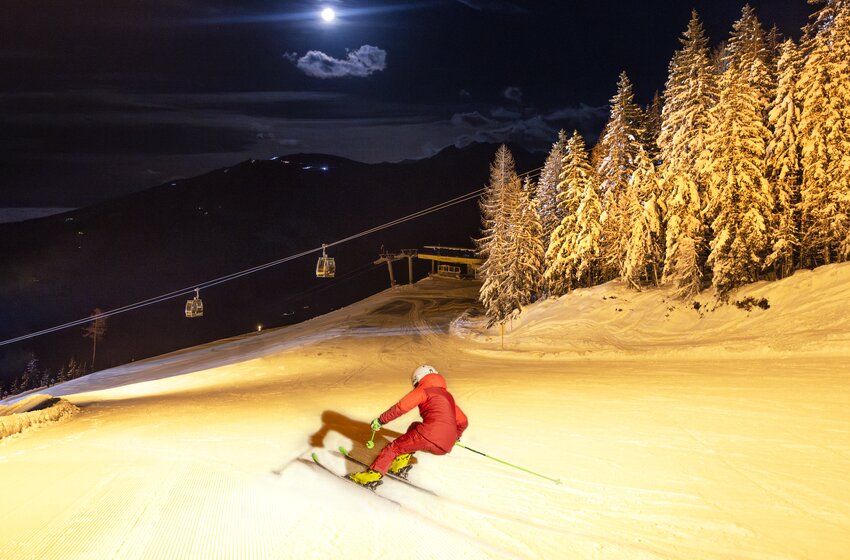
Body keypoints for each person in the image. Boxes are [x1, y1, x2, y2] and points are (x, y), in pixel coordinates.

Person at [349, 364, 468, 486]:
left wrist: (381, 421)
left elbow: (401, 407)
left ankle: (372, 476)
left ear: (420, 379)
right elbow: (463, 421)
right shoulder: (447, 396)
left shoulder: (424, 390)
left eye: (416, 383)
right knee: (415, 426)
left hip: (428, 435)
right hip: (445, 446)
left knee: (393, 448)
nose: (416, 386)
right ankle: (399, 464)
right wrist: (455, 436)